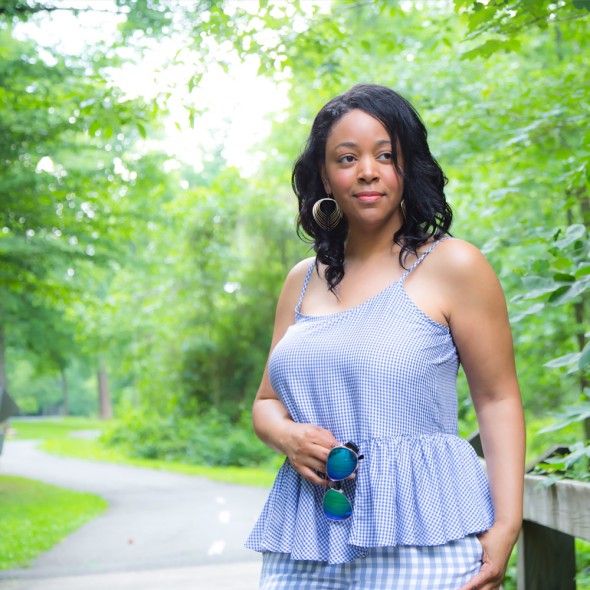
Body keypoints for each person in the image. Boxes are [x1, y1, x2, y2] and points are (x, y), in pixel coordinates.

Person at [246, 84, 525, 590]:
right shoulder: (301, 278)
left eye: (386, 155)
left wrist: (507, 524)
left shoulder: (454, 265)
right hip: (307, 537)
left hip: (424, 533)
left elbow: (498, 397)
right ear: (325, 175)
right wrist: (288, 437)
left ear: (408, 166)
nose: (367, 170)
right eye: (347, 157)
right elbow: (266, 402)